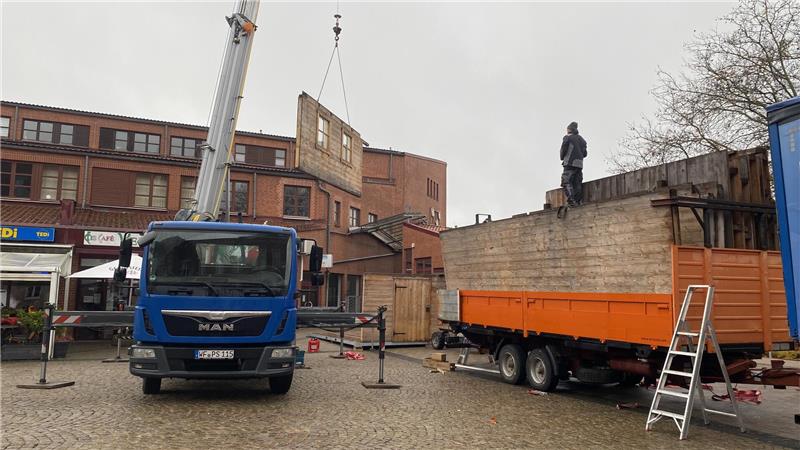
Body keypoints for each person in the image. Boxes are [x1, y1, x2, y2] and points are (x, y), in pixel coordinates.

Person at [560, 121, 587, 206]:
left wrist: (562, 157)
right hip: (579, 164)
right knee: (577, 183)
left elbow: (563, 150)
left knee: (566, 181)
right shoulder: (582, 140)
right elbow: (585, 154)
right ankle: (577, 201)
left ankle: (571, 201)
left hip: (569, 163)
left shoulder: (568, 137)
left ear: (569, 129)